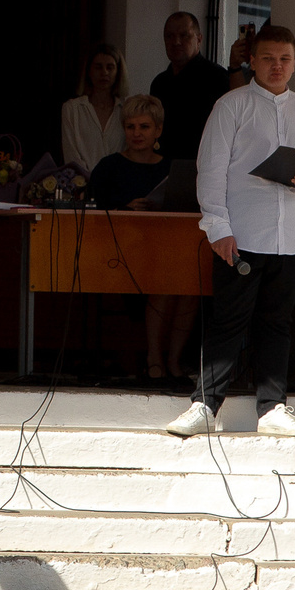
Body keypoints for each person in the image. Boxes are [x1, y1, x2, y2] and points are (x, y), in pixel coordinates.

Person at [165, 25, 295, 441]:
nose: (277, 66)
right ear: (252, 61)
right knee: (229, 320)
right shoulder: (231, 105)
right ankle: (204, 404)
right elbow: (212, 168)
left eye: (285, 59)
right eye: (269, 58)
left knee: (277, 321)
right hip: (241, 233)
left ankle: (273, 406)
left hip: (291, 234)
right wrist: (217, 227)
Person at [89, 97, 199, 386]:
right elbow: (92, 214)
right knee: (166, 280)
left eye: (144, 127)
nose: (137, 133)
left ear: (158, 131)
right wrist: (124, 209)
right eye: (131, 126)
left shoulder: (174, 169)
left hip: (167, 249)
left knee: (190, 285)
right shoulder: (108, 167)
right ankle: (153, 359)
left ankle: (174, 361)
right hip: (121, 255)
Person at [147, 11, 226, 166]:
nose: (176, 42)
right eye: (169, 36)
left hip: (203, 167)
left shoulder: (217, 78)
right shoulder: (160, 83)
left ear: (199, 39)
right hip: (163, 166)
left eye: (184, 36)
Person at [58, 44, 127, 172]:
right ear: (89, 71)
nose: (104, 73)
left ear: (118, 72)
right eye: (98, 67)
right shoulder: (72, 109)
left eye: (110, 67)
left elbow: (127, 152)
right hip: (81, 184)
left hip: (117, 185)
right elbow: (71, 154)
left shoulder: (125, 111)